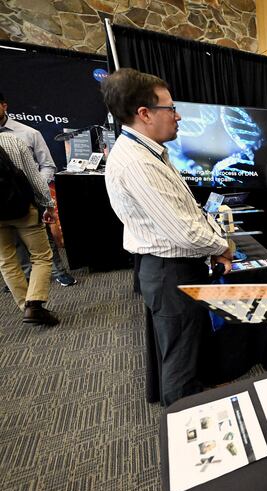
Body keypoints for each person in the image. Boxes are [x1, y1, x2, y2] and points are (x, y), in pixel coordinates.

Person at [101, 68, 234, 406]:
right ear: (144, 114)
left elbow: (186, 213)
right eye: (170, 108)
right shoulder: (137, 163)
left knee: (184, 347)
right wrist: (224, 246)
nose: (177, 116)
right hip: (170, 270)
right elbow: (184, 230)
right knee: (179, 358)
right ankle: (185, 429)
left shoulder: (149, 152)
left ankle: (190, 402)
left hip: (172, 267)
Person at [0, 92, 77, 287]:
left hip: (29, 196)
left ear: (4, 105)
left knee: (44, 237)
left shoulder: (28, 133)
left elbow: (47, 165)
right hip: (2, 200)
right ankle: (25, 276)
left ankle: (59, 271)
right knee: (13, 243)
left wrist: (37, 188)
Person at [0, 133, 59, 325]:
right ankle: (34, 305)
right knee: (41, 255)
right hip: (22, 209)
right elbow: (34, 177)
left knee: (7, 261)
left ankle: (27, 307)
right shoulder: (11, 141)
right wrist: (48, 205)